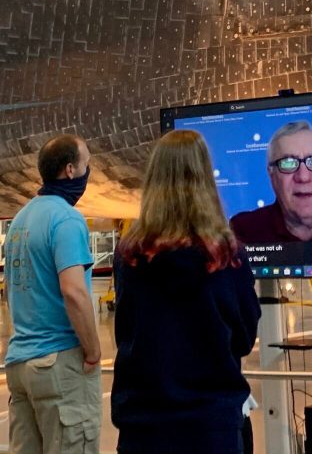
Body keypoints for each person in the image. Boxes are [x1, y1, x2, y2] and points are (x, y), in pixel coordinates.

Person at [111, 130, 261, 454]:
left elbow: (124, 332)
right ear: (205, 179)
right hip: (211, 426)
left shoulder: (128, 256)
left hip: (143, 427)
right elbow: (244, 339)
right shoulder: (228, 256)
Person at [4, 134, 102, 454]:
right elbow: (74, 292)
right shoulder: (67, 218)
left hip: (20, 364)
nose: (90, 171)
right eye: (87, 163)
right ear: (71, 170)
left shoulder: (20, 220)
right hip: (58, 363)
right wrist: (93, 350)